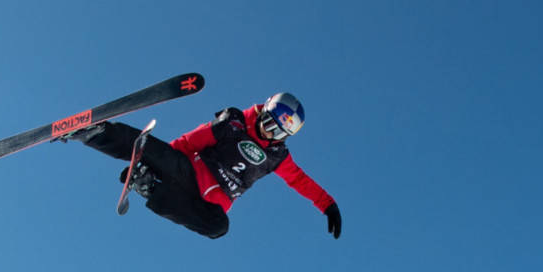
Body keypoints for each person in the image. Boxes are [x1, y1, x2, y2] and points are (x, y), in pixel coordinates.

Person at [65, 92, 341, 240]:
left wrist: (327, 205)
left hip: (207, 203)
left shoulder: (277, 157)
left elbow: (300, 180)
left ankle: (149, 188)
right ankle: (94, 133)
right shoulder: (233, 124)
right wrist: (156, 160)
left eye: (279, 134)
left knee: (218, 227)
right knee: (148, 146)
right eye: (269, 125)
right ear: (264, 112)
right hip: (188, 171)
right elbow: (189, 141)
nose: (270, 135)